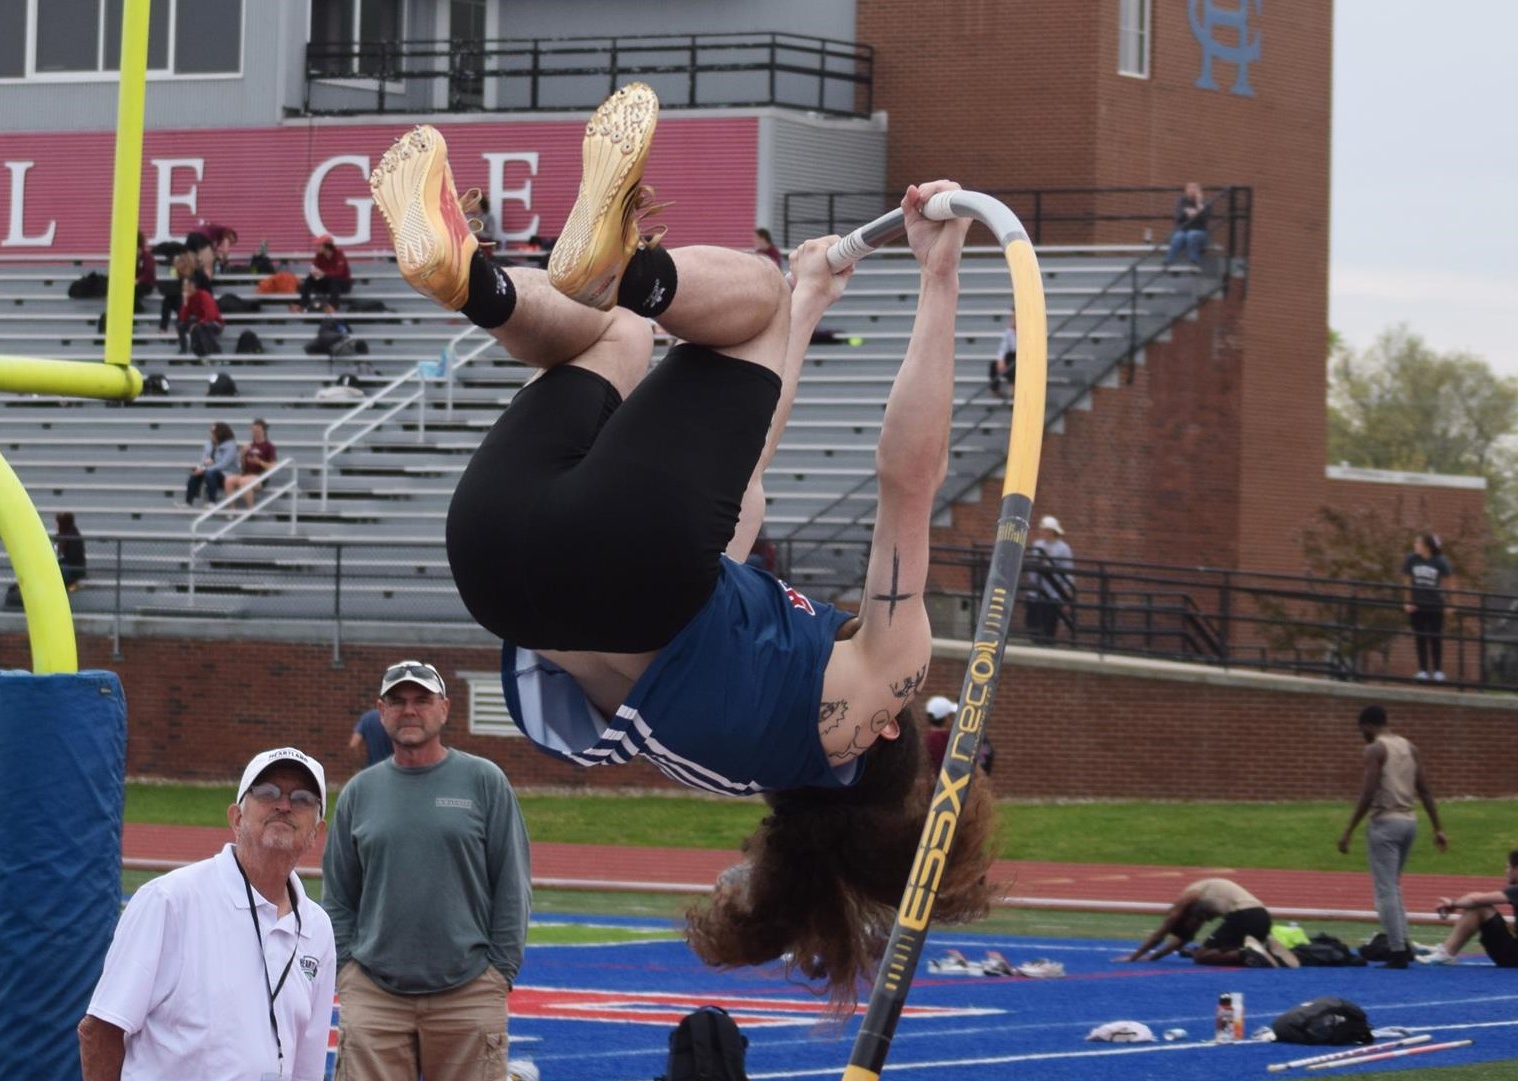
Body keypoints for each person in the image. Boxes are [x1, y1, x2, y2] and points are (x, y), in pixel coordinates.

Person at [366, 83, 995, 1004]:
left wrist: (935, 275)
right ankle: (478, 284)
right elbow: (737, 464)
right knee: (614, 336)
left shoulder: (882, 683)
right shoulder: (734, 744)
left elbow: (909, 477)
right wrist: (811, 305)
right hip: (496, 565)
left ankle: (627, 265)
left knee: (744, 295)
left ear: (893, 733)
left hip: (636, 571)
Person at [323, 660, 530, 1080]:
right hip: (375, 996)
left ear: (444, 709)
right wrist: (348, 971)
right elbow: (338, 895)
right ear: (381, 712)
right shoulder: (359, 793)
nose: (410, 710)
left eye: (422, 699)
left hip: (469, 992)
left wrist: (499, 972)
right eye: (397, 701)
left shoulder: (484, 781)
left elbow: (512, 883)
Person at [81, 747, 334, 1081]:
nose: (284, 805)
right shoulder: (169, 901)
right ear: (236, 818)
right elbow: (100, 1030)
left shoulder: (317, 928)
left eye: (302, 798)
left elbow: (308, 1068)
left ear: (316, 832)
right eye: (267, 792)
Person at [1338, 704, 1447, 968]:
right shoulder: (1410, 747)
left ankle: (1397, 951)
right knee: (1394, 887)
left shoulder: (1375, 749)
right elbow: (1425, 789)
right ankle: (1404, 943)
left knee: (1385, 889)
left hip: (1385, 822)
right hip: (1409, 821)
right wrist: (1437, 827)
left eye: (1361, 730)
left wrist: (1349, 829)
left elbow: (1369, 791)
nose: (1362, 735)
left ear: (1368, 725)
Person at [1121, 878, 1297, 967]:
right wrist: (1154, 957)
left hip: (1245, 915)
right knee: (1219, 950)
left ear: (1183, 918)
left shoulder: (1186, 900)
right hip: (1262, 917)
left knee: (1201, 956)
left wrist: (1134, 957)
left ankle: (1249, 954)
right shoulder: (1200, 905)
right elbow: (1185, 938)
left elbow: (1161, 933)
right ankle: (1268, 952)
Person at [1421, 847, 1518, 967]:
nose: (1506, 871)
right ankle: (1446, 948)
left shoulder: (1517, 890)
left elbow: (1476, 899)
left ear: (1517, 870)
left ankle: (1446, 952)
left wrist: (1453, 904)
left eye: (1508, 867)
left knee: (1479, 908)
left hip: (1516, 957)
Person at [1404, 532, 1452, 681]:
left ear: (1426, 546)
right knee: (1420, 637)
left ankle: (1438, 671)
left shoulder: (1439, 561)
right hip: (1418, 605)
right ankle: (1423, 670)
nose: (1415, 545)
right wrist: (1408, 601)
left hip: (1435, 604)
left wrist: (1450, 603)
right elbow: (1407, 581)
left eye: (1418, 543)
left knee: (1435, 637)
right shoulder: (1412, 559)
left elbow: (1450, 581)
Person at [1024, 515, 1074, 640]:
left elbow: (1068, 571)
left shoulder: (1063, 548)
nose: (1042, 532)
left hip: (1053, 593)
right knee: (1032, 622)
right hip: (1036, 591)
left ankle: (1047, 640)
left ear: (1052, 531)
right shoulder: (1037, 545)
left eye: (1045, 530)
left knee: (1049, 625)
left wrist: (1066, 595)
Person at [224, 419, 278, 509]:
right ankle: (232, 509)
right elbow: (243, 467)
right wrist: (242, 455)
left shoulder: (269, 447)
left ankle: (251, 509)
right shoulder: (249, 446)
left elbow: (273, 466)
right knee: (229, 480)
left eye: (258, 430)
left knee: (244, 482)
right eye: (253, 430)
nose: (255, 433)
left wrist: (259, 462)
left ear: (264, 431)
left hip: (260, 477)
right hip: (246, 474)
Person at [183, 422, 240, 507]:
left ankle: (212, 501)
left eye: (213, 432)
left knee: (210, 473)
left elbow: (224, 464)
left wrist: (205, 469)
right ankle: (188, 502)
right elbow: (204, 460)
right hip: (209, 471)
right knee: (195, 473)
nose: (211, 434)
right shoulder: (209, 444)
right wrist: (201, 468)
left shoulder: (231, 446)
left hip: (227, 474)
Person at [300, 234, 354, 310]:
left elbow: (339, 273)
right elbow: (314, 268)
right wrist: (314, 273)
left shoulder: (339, 254)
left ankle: (333, 306)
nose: (317, 247)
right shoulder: (319, 255)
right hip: (327, 283)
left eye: (319, 245)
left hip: (343, 284)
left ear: (327, 246)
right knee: (309, 280)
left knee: (335, 281)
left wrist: (324, 274)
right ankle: (304, 305)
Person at [177, 272, 224, 357]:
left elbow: (210, 315)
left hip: (214, 323)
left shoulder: (204, 295)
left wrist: (198, 324)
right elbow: (183, 318)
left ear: (192, 285)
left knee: (199, 327)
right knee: (181, 326)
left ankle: (212, 349)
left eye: (185, 285)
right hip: (201, 323)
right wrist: (185, 303)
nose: (183, 288)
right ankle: (183, 349)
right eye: (183, 286)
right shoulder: (189, 298)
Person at [1165, 181, 1210, 267]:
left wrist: (1198, 204)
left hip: (1200, 232)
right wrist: (1186, 213)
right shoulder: (1181, 202)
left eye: (1195, 188)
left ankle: (1194, 261)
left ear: (1199, 190)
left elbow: (1204, 219)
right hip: (1183, 231)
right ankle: (1168, 261)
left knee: (1191, 234)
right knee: (1178, 236)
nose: (1192, 190)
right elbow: (1178, 217)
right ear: (1186, 190)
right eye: (1190, 188)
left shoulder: (1205, 202)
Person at [55, 512, 88, 591]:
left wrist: (59, 561)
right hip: (69, 565)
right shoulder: (62, 535)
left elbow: (72, 558)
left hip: (75, 568)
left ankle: (68, 584)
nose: (56, 525)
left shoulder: (73, 538)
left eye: (57, 523)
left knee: (61, 568)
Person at [988, 311, 1017, 397]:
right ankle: (995, 389)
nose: (1011, 320)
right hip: (1011, 356)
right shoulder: (1009, 332)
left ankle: (1014, 385)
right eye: (1011, 318)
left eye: (1013, 318)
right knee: (994, 364)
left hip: (1022, 358)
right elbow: (1003, 348)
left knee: (1014, 363)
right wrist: (1001, 360)